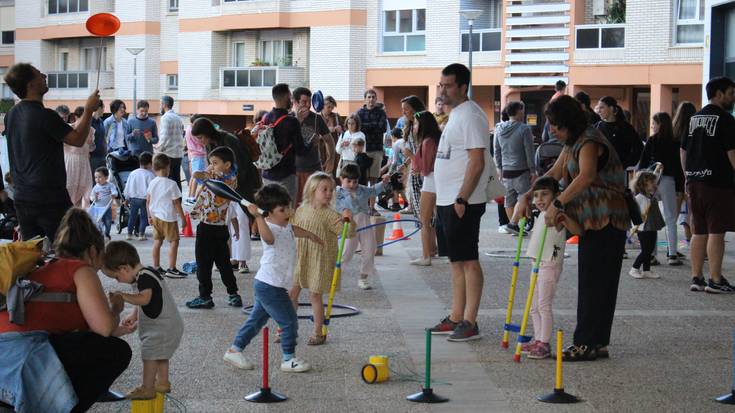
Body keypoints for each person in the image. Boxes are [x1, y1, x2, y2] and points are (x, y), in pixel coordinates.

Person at [516, 95, 629, 361]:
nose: (551, 129)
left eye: (555, 124)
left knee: (595, 282)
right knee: (596, 280)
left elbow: (586, 175)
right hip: (593, 220)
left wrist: (558, 202)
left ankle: (586, 342)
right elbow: (554, 173)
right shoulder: (572, 143)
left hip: (607, 218)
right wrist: (527, 195)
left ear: (568, 122)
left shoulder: (589, 140)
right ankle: (596, 342)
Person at [0, 208, 133, 413]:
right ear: (92, 251)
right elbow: (104, 329)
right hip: (23, 354)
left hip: (7, 349)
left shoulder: (43, 265)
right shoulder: (80, 269)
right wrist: (115, 309)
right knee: (115, 352)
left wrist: (120, 328)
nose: (100, 266)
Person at [224, 184, 322, 373]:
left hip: (270, 284)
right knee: (289, 321)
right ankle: (288, 359)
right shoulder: (267, 226)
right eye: (282, 210)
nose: (288, 212)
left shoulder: (286, 226)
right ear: (268, 213)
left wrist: (310, 235)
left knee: (256, 321)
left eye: (288, 207)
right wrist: (258, 216)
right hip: (270, 285)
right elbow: (268, 239)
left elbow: (295, 230)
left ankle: (234, 350)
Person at [428, 63, 491, 342]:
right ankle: (456, 316)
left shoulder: (472, 116)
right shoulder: (454, 115)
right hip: (447, 200)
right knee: (455, 261)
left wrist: (462, 197)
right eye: (441, 84)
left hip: (462, 200)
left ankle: (470, 321)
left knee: (468, 260)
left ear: (463, 87)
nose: (442, 89)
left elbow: (477, 162)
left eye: (448, 85)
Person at [3, 63, 99, 242]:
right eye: (40, 75)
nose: (44, 77)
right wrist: (88, 110)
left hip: (22, 196)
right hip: (49, 197)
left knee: (32, 252)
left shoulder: (11, 114)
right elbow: (77, 140)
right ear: (31, 85)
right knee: (71, 247)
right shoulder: (45, 116)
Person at [102, 241, 184, 400]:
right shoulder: (144, 274)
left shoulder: (144, 278)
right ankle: (163, 383)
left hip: (162, 326)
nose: (117, 281)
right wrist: (134, 315)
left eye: (116, 277)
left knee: (150, 355)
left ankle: (147, 388)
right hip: (168, 325)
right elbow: (145, 300)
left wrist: (122, 296)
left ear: (124, 268)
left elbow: (144, 299)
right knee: (160, 354)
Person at [681, 76, 735, 294]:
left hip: (694, 181)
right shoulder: (726, 120)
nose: (733, 98)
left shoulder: (694, 118)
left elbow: (683, 150)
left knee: (699, 230)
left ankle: (697, 277)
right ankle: (715, 279)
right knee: (717, 231)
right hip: (717, 183)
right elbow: (732, 153)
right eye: (731, 93)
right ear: (719, 94)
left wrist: (687, 176)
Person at [290, 172, 354, 345]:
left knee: (314, 295)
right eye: (324, 189)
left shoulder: (331, 215)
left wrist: (349, 219)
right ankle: (286, 327)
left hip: (320, 261)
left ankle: (318, 332)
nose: (329, 193)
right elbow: (292, 228)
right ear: (312, 190)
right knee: (292, 294)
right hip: (301, 258)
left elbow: (348, 233)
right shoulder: (301, 209)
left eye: (331, 190)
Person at [522, 177, 580, 360]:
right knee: (533, 306)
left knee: (543, 305)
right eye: (536, 196)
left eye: (544, 195)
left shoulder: (557, 215)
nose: (539, 199)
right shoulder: (540, 214)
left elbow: (578, 230)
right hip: (537, 264)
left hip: (549, 264)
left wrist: (562, 217)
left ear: (556, 196)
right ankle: (538, 339)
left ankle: (544, 343)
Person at [186, 147, 243, 309]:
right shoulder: (230, 179)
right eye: (210, 163)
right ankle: (233, 294)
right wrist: (210, 171)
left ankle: (205, 296)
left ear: (227, 165)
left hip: (207, 228)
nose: (211, 166)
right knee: (223, 264)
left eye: (215, 163)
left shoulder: (222, 180)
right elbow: (198, 176)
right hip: (220, 228)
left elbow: (198, 175)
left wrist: (208, 173)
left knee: (203, 264)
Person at [637, 112, 685, 266]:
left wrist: (640, 182)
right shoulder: (675, 142)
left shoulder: (652, 140)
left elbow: (643, 162)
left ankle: (651, 254)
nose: (652, 126)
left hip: (651, 181)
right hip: (669, 181)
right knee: (671, 217)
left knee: (651, 217)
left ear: (660, 124)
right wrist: (680, 187)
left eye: (654, 123)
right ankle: (672, 254)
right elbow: (678, 167)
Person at [337, 164, 389, 290]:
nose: (351, 185)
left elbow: (374, 190)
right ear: (341, 179)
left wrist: (384, 181)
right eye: (348, 181)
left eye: (354, 182)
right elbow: (335, 206)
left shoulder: (362, 189)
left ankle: (363, 277)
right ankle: (336, 277)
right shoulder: (338, 192)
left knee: (370, 248)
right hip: (348, 225)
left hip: (364, 222)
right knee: (346, 252)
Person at [260, 83, 310, 203]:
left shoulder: (266, 118)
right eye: (290, 96)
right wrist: (313, 143)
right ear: (285, 97)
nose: (292, 99)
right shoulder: (292, 121)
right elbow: (301, 151)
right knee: (287, 211)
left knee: (271, 211)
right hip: (286, 175)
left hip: (266, 174)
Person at [403, 111, 440, 266]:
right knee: (432, 220)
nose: (414, 126)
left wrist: (411, 156)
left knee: (424, 221)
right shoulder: (435, 139)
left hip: (431, 181)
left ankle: (426, 256)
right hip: (437, 180)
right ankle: (431, 251)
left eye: (417, 124)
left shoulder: (427, 142)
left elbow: (425, 168)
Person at [494, 101, 536, 235]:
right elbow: (529, 151)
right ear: (518, 111)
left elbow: (496, 150)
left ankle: (514, 227)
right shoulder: (524, 129)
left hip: (506, 170)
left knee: (509, 200)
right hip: (521, 170)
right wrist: (533, 170)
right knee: (524, 197)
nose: (523, 113)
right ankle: (514, 224)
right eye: (522, 110)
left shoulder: (498, 128)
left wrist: (499, 168)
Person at [147, 154, 187, 278]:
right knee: (174, 242)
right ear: (167, 168)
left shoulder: (152, 182)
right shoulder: (172, 184)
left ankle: (156, 267)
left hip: (155, 217)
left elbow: (148, 201)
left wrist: (149, 216)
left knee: (157, 241)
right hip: (168, 217)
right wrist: (183, 218)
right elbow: (176, 203)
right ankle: (172, 268)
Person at [293, 87, 330, 205]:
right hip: (294, 170)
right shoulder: (289, 119)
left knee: (317, 204)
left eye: (310, 101)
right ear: (295, 102)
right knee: (297, 207)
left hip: (315, 168)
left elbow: (329, 140)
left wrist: (331, 158)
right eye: (304, 102)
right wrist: (297, 121)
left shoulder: (317, 118)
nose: (308, 105)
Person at [629, 167, 666, 279]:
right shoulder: (639, 197)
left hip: (652, 226)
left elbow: (657, 179)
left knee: (649, 250)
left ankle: (646, 270)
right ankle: (634, 268)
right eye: (651, 183)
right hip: (643, 228)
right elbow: (634, 213)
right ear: (644, 184)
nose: (654, 185)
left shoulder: (650, 195)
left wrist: (658, 170)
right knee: (646, 250)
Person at [672, 101, 697, 249]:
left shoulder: (672, 132)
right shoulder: (693, 131)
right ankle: (694, 244)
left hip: (674, 178)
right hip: (690, 175)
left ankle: (672, 249)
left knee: (672, 217)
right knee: (693, 214)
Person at [595, 96, 643, 169]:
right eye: (598, 108)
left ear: (611, 108)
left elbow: (638, 147)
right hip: (599, 171)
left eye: (602, 107)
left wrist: (626, 163)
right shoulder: (597, 126)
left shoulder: (625, 127)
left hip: (618, 172)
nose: (599, 111)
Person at [401, 95, 427, 217]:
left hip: (422, 171)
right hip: (414, 168)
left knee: (425, 214)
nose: (403, 112)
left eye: (406, 109)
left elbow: (423, 153)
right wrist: (405, 164)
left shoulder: (423, 126)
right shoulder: (410, 126)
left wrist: (411, 156)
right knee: (418, 211)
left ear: (415, 109)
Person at [65, 106, 96, 208]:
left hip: (84, 162)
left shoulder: (91, 130)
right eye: (84, 117)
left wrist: (90, 143)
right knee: (70, 189)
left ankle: (83, 216)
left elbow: (92, 148)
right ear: (76, 117)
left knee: (86, 191)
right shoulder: (69, 127)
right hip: (71, 162)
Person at [357, 89, 388, 184]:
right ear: (365, 99)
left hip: (377, 149)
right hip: (363, 150)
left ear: (376, 99)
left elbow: (382, 128)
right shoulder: (359, 113)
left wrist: (366, 126)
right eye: (369, 97)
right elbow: (358, 129)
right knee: (363, 179)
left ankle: (373, 200)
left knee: (374, 179)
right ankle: (365, 199)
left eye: (373, 97)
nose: (371, 99)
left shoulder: (381, 112)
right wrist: (374, 126)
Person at [124, 151, 155, 241]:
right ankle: (141, 234)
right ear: (150, 163)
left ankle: (129, 234)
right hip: (145, 199)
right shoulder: (150, 175)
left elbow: (128, 187)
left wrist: (126, 198)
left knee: (132, 216)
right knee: (143, 217)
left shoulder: (133, 173)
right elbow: (152, 188)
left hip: (133, 198)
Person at [158, 96, 185, 191]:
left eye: (161, 104)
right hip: (178, 153)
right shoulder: (178, 118)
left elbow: (164, 137)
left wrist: (158, 150)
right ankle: (179, 201)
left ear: (164, 105)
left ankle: (171, 203)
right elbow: (182, 133)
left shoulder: (165, 118)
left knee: (168, 179)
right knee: (177, 179)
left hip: (168, 153)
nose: (160, 106)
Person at [90, 167, 118, 240]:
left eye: (100, 177)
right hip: (98, 207)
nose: (97, 179)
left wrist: (113, 194)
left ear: (106, 177)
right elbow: (91, 196)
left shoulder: (110, 185)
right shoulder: (95, 187)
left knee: (108, 222)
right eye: (96, 177)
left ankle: (107, 233)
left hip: (107, 207)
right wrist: (93, 198)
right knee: (99, 222)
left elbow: (114, 191)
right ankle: (100, 234)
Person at [185, 114, 206, 205]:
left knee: (193, 177)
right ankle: (192, 197)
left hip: (193, 154)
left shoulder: (188, 128)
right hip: (198, 154)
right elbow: (200, 142)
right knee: (196, 177)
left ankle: (190, 196)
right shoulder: (193, 131)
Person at [319, 95, 340, 175]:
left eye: (332, 107)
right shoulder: (317, 118)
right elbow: (314, 135)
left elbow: (343, 132)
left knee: (335, 171)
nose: (330, 109)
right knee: (322, 170)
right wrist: (328, 131)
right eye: (328, 107)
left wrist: (340, 129)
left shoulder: (336, 117)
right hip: (321, 149)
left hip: (334, 148)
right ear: (323, 106)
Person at [90, 100, 107, 176]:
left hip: (103, 156)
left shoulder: (101, 121)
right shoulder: (89, 122)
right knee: (94, 181)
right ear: (99, 108)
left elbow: (103, 138)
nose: (104, 110)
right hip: (93, 157)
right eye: (103, 107)